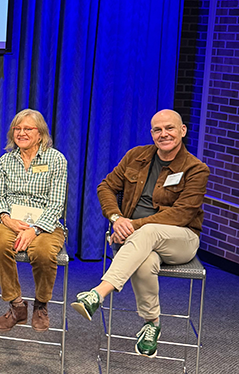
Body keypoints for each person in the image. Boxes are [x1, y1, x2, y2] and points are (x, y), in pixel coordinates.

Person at [71, 109, 209, 358]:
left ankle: (98, 294)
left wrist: (131, 226)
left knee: (150, 230)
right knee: (144, 263)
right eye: (157, 129)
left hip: (182, 239)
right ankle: (152, 324)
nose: (163, 134)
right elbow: (106, 186)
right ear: (152, 133)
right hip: (137, 241)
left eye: (170, 128)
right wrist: (116, 218)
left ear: (182, 130)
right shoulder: (136, 156)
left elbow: (181, 215)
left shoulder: (196, 169)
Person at [0, 109, 67, 333]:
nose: (21, 133)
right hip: (11, 220)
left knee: (43, 252)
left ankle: (41, 305)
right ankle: (16, 305)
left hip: (46, 223)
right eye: (17, 128)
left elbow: (56, 203)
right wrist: (7, 220)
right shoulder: (5, 161)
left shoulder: (56, 159)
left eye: (27, 129)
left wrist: (35, 229)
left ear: (40, 134)